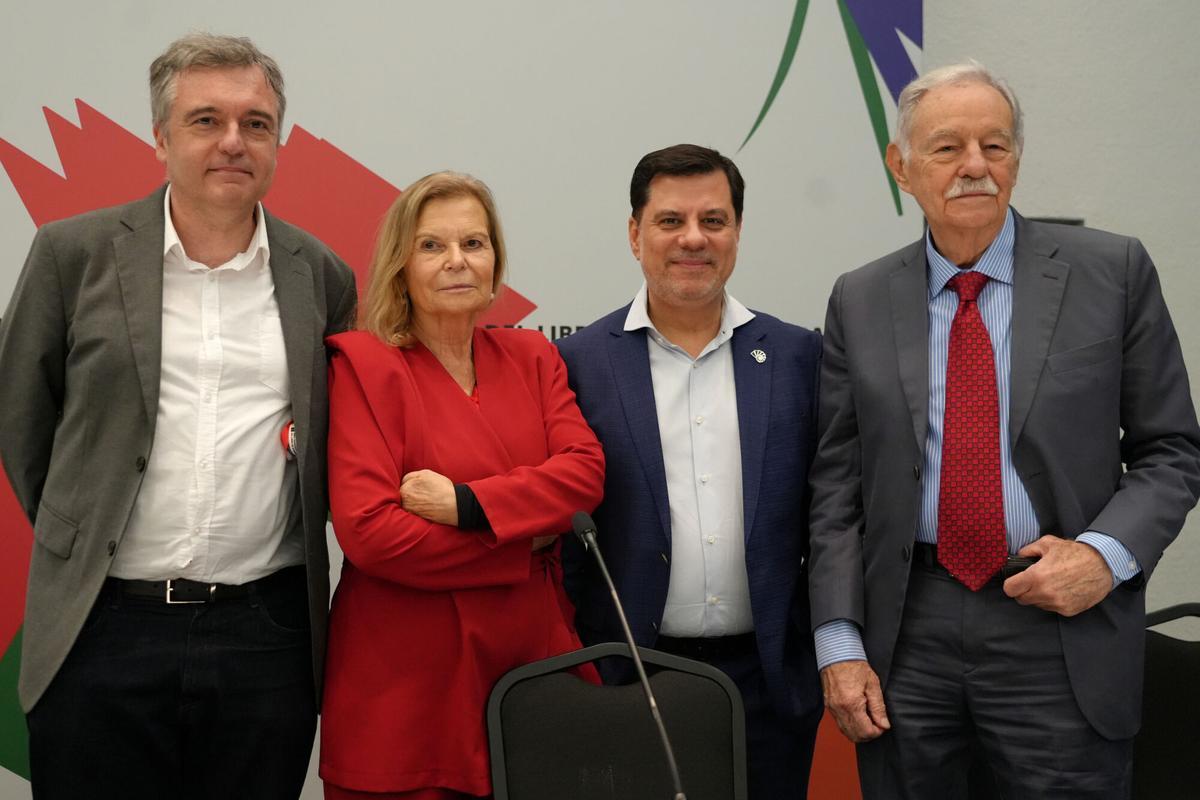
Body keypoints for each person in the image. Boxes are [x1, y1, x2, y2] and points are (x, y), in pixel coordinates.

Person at [808, 61, 1200, 799]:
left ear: (1017, 159)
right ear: (902, 167)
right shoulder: (858, 299)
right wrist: (838, 641)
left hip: (1061, 624)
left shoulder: (1110, 271)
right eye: (948, 147)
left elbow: (1172, 450)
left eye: (996, 145)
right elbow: (836, 486)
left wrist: (1103, 558)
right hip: (907, 633)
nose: (975, 167)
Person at [0, 33, 356, 798]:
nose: (234, 141)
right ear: (159, 137)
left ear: (278, 141)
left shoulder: (321, 276)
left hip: (265, 639)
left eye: (256, 123)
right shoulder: (74, 254)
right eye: (206, 121)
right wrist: (82, 528)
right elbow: (22, 419)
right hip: (102, 629)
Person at [320, 171, 605, 800]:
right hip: (405, 688)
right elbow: (371, 535)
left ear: (496, 259)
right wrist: (516, 544)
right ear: (401, 262)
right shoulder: (363, 366)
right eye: (432, 246)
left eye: (474, 243)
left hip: (531, 667)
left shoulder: (534, 357)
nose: (457, 261)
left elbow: (583, 478)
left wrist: (466, 505)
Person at [557, 144, 824, 799]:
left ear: (737, 231)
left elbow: (835, 514)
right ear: (634, 233)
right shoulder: (578, 363)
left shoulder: (798, 357)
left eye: (714, 219)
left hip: (766, 686)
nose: (693, 239)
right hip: (626, 680)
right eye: (671, 220)